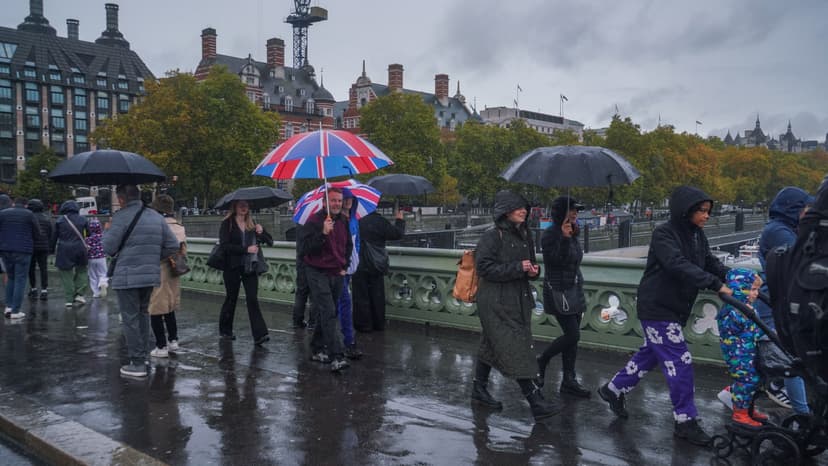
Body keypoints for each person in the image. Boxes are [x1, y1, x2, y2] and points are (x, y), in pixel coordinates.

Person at [597, 185, 731, 446]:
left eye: (708, 211)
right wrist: (715, 284)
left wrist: (732, 277)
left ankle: (612, 389)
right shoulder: (664, 233)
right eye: (701, 211)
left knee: (650, 354)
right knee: (680, 362)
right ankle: (685, 421)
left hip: (674, 306)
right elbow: (676, 264)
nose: (706, 216)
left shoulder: (696, 235)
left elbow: (709, 262)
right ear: (686, 210)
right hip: (657, 307)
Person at [470, 190, 560, 421]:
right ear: (506, 210)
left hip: (517, 300)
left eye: (525, 208)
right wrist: (518, 268)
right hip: (495, 302)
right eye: (519, 207)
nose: (524, 211)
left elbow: (529, 265)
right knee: (516, 348)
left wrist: (533, 271)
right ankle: (534, 400)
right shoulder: (492, 237)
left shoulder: (525, 234)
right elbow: (484, 269)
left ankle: (478, 389)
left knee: (492, 344)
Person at [749, 186, 814, 414]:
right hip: (774, 304)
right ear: (793, 209)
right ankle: (802, 413)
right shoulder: (779, 231)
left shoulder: (785, 228)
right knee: (790, 361)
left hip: (777, 302)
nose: (809, 212)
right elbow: (797, 262)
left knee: (774, 360)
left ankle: (736, 393)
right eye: (805, 208)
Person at [104, 185, 179, 378]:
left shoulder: (120, 217)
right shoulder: (156, 217)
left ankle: (137, 363)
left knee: (130, 318)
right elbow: (172, 245)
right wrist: (153, 258)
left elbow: (109, 248)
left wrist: (108, 230)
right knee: (143, 314)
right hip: (150, 275)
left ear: (121, 199)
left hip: (127, 275)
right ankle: (143, 357)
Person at [537, 196, 590, 398]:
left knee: (573, 340)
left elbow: (575, 261)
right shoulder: (551, 234)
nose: (575, 213)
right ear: (561, 212)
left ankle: (569, 380)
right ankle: (542, 359)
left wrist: (570, 237)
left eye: (577, 210)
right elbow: (554, 260)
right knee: (572, 334)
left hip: (574, 289)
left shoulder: (574, 232)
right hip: (558, 291)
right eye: (572, 210)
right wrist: (565, 239)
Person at [300, 188, 352, 372]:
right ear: (324, 203)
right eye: (333, 201)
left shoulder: (344, 221)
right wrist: (322, 233)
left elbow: (348, 245)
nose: (337, 203)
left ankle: (316, 348)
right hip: (317, 272)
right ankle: (336, 356)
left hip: (336, 272)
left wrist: (345, 266)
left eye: (339, 200)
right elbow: (305, 250)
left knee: (327, 312)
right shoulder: (314, 222)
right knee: (329, 311)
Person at [715, 268, 769, 428]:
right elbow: (734, 329)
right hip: (738, 354)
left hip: (749, 352)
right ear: (740, 289)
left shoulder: (746, 307)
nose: (756, 294)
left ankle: (746, 407)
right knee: (746, 380)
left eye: (757, 290)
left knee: (755, 378)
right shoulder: (731, 311)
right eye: (752, 289)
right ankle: (740, 413)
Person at [217, 200, 273, 345]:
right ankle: (225, 330)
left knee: (252, 299)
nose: (244, 208)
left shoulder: (252, 224)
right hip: (232, 267)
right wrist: (245, 250)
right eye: (241, 205)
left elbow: (270, 242)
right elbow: (224, 246)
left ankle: (260, 334)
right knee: (231, 298)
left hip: (249, 267)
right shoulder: (227, 223)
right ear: (234, 207)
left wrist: (262, 231)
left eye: (246, 205)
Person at [352, 205, 405, 332]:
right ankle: (378, 323)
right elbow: (397, 234)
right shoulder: (379, 221)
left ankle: (363, 325)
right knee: (377, 295)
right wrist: (399, 220)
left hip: (358, 263)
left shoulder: (355, 221)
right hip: (376, 263)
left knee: (360, 295)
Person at [148, 195, 187, 358]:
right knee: (170, 306)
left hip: (159, 268)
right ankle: (173, 340)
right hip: (175, 269)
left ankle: (161, 346)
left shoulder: (157, 226)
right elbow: (184, 250)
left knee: (156, 307)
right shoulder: (179, 226)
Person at [0, 197, 42, 319]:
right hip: (23, 250)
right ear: (25, 205)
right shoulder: (29, 214)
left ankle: (8, 306)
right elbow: (37, 233)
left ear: (14, 203)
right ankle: (15, 311)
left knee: (11, 277)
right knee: (20, 279)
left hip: (5, 250)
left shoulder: (3, 213)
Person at [337, 194, 362, 359]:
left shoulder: (354, 219)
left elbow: (356, 241)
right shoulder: (335, 220)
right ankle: (348, 340)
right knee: (344, 302)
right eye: (343, 198)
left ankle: (342, 339)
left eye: (349, 199)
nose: (347, 201)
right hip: (339, 268)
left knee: (342, 302)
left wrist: (355, 257)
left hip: (349, 266)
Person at [52, 200, 90, 307]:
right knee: (82, 270)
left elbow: (54, 237)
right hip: (80, 248)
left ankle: (69, 299)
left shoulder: (59, 221)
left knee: (66, 274)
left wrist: (50, 250)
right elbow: (89, 233)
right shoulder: (83, 219)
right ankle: (80, 294)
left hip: (64, 249)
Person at [26, 199, 53, 300]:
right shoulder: (47, 218)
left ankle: (33, 289)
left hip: (31, 247)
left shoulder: (29, 217)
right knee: (43, 268)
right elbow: (50, 233)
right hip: (43, 247)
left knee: (31, 269)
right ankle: (44, 290)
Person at [290, 223, 314, 329]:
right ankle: (313, 321)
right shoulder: (316, 221)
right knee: (314, 294)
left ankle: (297, 320)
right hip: (313, 261)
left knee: (301, 292)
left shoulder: (300, 221)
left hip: (301, 261)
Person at [85, 218, 109, 298]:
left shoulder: (88, 238)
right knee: (103, 273)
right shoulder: (103, 236)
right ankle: (103, 283)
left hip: (90, 258)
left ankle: (96, 293)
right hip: (101, 257)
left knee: (92, 276)